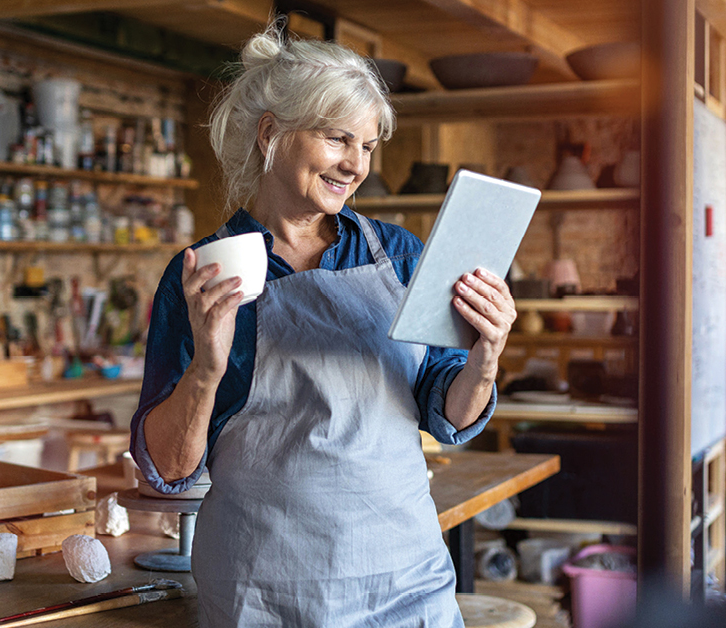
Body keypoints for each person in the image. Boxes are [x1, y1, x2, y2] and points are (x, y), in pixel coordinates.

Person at [129, 20, 515, 627]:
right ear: (270, 134)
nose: (355, 165)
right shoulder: (203, 275)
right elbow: (171, 470)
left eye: (367, 146)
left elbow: (450, 416)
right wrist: (206, 365)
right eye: (338, 139)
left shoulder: (401, 256)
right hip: (265, 593)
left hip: (407, 582)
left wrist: (485, 356)